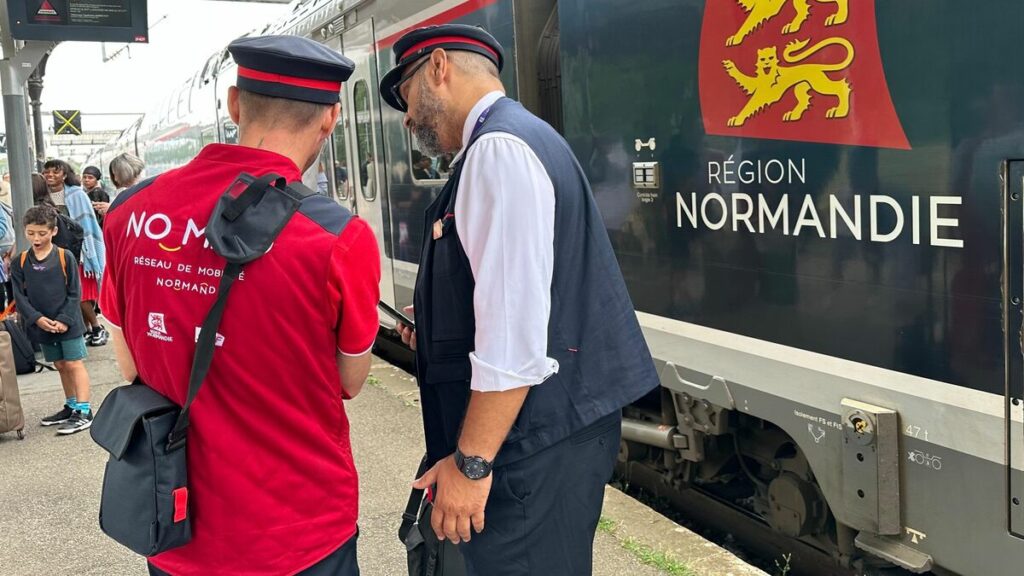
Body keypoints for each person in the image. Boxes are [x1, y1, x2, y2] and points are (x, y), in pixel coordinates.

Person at [380, 25, 660, 575]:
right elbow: (520, 291)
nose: (407, 118)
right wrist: (436, 330)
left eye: (407, 97)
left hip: (528, 445)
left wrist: (472, 466)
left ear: (440, 68)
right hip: (547, 433)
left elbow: (512, 338)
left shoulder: (498, 151)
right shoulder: (523, 137)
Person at [100, 35, 378, 576]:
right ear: (331, 119)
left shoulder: (131, 212)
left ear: (233, 104)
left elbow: (131, 361)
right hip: (302, 533)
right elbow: (349, 379)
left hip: (174, 523)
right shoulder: (338, 237)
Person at [11, 205, 93, 434]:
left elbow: (75, 292)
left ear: (53, 232)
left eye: (42, 233)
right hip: (42, 325)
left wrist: (65, 319)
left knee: (74, 363)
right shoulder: (21, 262)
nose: (36, 238)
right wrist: (37, 319)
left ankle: (85, 411)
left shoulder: (63, 256)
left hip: (69, 323)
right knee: (59, 365)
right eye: (31, 233)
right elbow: (19, 296)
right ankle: (71, 405)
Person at [42, 159, 108, 347]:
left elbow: (87, 226)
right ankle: (87, 330)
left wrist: (87, 252)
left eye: (55, 172)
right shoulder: (44, 196)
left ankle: (96, 328)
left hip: (80, 253)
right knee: (72, 294)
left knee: (80, 294)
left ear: (64, 174)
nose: (50, 176)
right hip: (57, 253)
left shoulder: (77, 194)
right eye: (47, 173)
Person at [99, 152, 146, 217]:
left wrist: (113, 209)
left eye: (116, 174)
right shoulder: (144, 187)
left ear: (124, 173)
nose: (115, 179)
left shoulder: (141, 192)